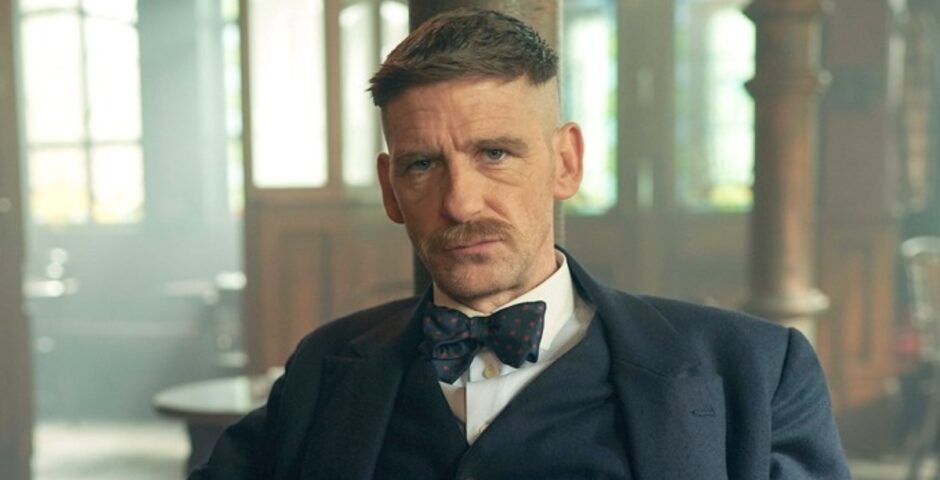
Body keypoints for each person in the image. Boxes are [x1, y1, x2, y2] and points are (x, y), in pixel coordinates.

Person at [191, 8, 850, 479]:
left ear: (566, 163)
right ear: (391, 189)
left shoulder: (756, 371)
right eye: (422, 165)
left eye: (495, 154)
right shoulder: (324, 366)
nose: (460, 202)